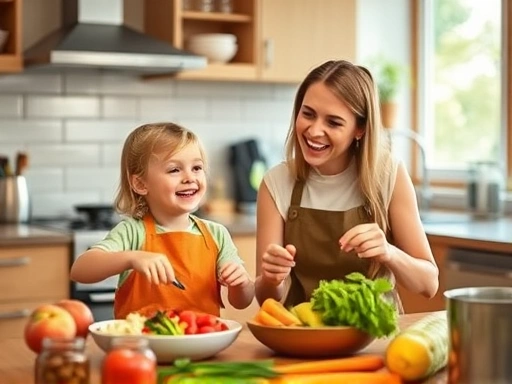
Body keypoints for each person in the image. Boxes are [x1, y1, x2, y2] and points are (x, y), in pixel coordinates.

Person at [255, 60, 439, 312]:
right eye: (308, 114)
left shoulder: (388, 174)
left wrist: (389, 252)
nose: (314, 130)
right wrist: (271, 278)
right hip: (302, 335)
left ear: (360, 129)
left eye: (333, 122)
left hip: (373, 333)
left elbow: (428, 284)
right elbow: (266, 298)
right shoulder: (276, 182)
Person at [70, 122, 255, 319]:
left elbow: (242, 301)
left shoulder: (216, 234)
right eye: (174, 170)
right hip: (142, 345)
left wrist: (241, 283)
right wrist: (133, 258)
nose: (189, 178)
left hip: (200, 343)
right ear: (141, 184)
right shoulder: (132, 231)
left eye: (197, 168)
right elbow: (80, 270)